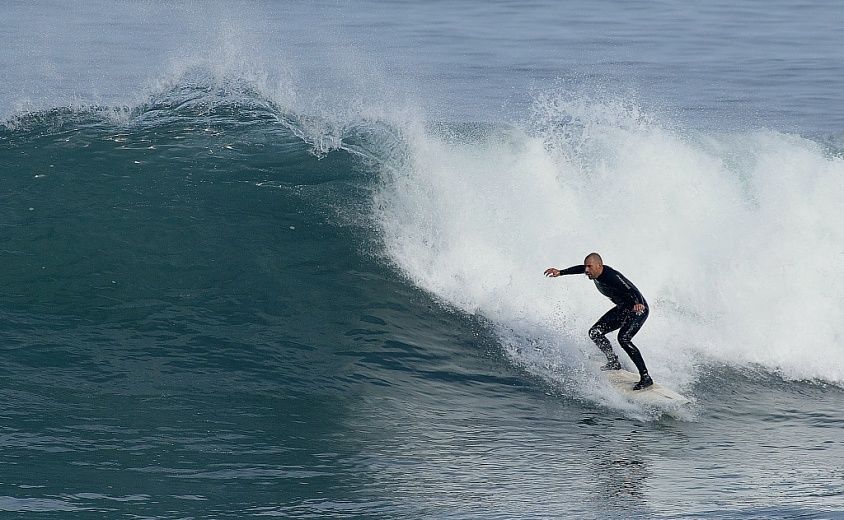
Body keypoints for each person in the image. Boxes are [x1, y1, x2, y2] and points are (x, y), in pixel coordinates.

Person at [544, 253, 654, 390]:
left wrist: (638, 303)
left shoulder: (611, 276)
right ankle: (613, 361)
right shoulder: (593, 272)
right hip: (623, 309)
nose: (586, 270)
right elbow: (580, 268)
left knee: (624, 338)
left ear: (599, 266)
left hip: (638, 309)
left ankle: (646, 377)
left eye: (589, 267)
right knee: (595, 332)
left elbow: (632, 289)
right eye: (586, 267)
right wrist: (560, 272)